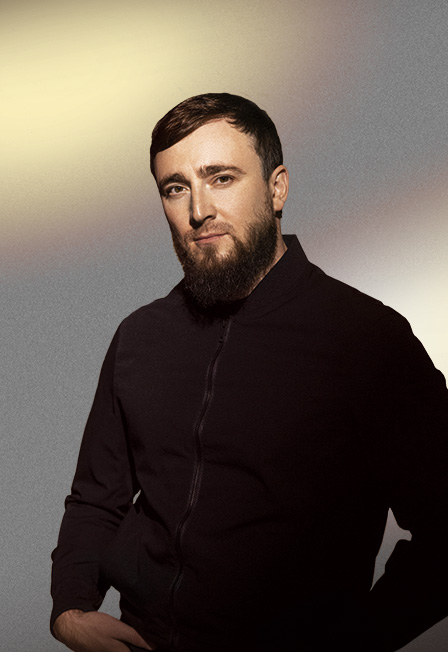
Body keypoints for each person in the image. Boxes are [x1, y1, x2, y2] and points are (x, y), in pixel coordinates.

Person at [51, 93, 448, 652]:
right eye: (175, 187)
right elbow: (96, 499)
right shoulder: (140, 337)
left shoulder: (367, 340)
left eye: (221, 178)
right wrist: (69, 610)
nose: (199, 210)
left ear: (277, 188)